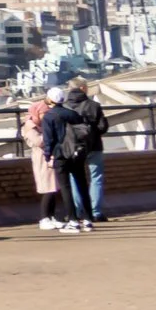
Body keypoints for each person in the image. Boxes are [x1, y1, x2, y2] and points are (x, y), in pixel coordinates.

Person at [42, 79, 101, 233]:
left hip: (60, 154)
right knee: (82, 184)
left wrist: (48, 157)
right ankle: (88, 220)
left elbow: (49, 140)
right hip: (77, 153)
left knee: (65, 187)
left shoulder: (49, 117)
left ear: (51, 99)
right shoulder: (72, 114)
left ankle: (73, 220)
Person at [65, 78, 109, 225]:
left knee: (74, 178)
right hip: (93, 146)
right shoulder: (94, 105)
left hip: (72, 148)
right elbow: (103, 126)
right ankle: (95, 212)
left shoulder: (65, 106)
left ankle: (78, 211)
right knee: (96, 177)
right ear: (83, 88)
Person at [25, 87, 63, 229]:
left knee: (53, 188)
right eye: (43, 114)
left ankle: (52, 216)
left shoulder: (44, 124)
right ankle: (44, 217)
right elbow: (39, 141)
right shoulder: (31, 126)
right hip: (41, 158)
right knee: (47, 187)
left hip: (50, 156)